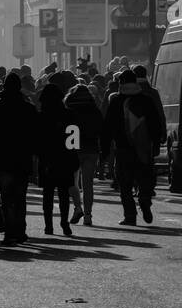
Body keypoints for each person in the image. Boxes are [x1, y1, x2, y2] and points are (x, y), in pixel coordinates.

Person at [101, 68, 163, 225]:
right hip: (143, 148)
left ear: (121, 84)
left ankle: (130, 215)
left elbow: (108, 127)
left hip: (123, 148)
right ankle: (144, 200)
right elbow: (155, 124)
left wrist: (105, 148)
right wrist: (156, 143)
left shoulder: (116, 101)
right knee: (145, 178)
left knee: (125, 183)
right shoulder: (147, 100)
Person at [0, 72, 40, 246]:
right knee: (20, 196)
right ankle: (20, 230)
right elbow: (34, 136)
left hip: (1, 159)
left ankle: (9, 232)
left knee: (6, 196)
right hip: (22, 158)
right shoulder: (29, 109)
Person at [36, 84, 76, 236]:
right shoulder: (69, 115)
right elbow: (74, 137)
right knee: (64, 193)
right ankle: (64, 223)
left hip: (47, 158)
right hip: (65, 157)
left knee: (48, 193)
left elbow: (37, 141)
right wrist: (73, 156)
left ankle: (48, 225)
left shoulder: (41, 116)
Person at [64, 82, 104, 225]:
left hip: (73, 144)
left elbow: (66, 128)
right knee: (88, 184)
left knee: (72, 181)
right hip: (91, 147)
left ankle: (77, 207)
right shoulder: (94, 109)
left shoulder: (68, 107)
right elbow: (101, 129)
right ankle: (88, 215)